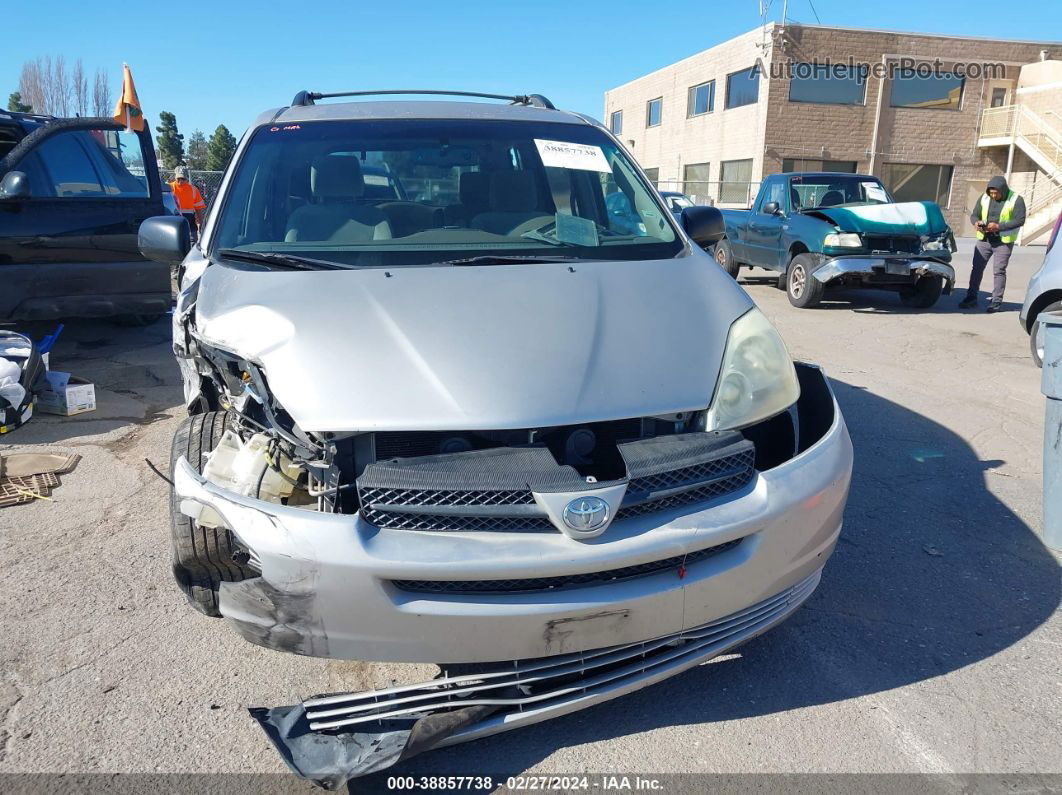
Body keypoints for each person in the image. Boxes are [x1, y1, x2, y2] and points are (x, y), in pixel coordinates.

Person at [960, 175, 1026, 313]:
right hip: (984, 239)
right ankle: (971, 297)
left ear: (1003, 190)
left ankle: (996, 302)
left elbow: (1019, 220)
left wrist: (999, 226)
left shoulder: (1016, 200)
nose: (993, 195)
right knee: (976, 268)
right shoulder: (984, 197)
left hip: (1003, 242)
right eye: (991, 193)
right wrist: (976, 222)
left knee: (999, 271)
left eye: (996, 193)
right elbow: (974, 215)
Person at [169, 166, 207, 243]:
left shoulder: (193, 189)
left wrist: (201, 224)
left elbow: (198, 209)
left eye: (183, 178)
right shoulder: (169, 187)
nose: (181, 181)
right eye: (178, 178)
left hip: (190, 222)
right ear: (175, 177)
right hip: (173, 221)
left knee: (192, 242)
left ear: (186, 178)